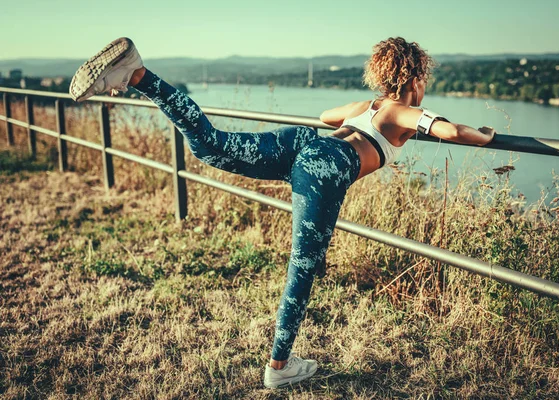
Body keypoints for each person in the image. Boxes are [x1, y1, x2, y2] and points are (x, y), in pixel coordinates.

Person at [69, 36, 496, 388]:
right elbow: (455, 131)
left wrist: (362, 119)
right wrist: (486, 134)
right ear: (416, 78)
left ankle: (140, 76)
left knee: (212, 146)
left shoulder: (366, 107)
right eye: (423, 80)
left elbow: (327, 116)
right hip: (323, 169)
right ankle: (278, 367)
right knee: (302, 268)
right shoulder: (406, 112)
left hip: (301, 143)